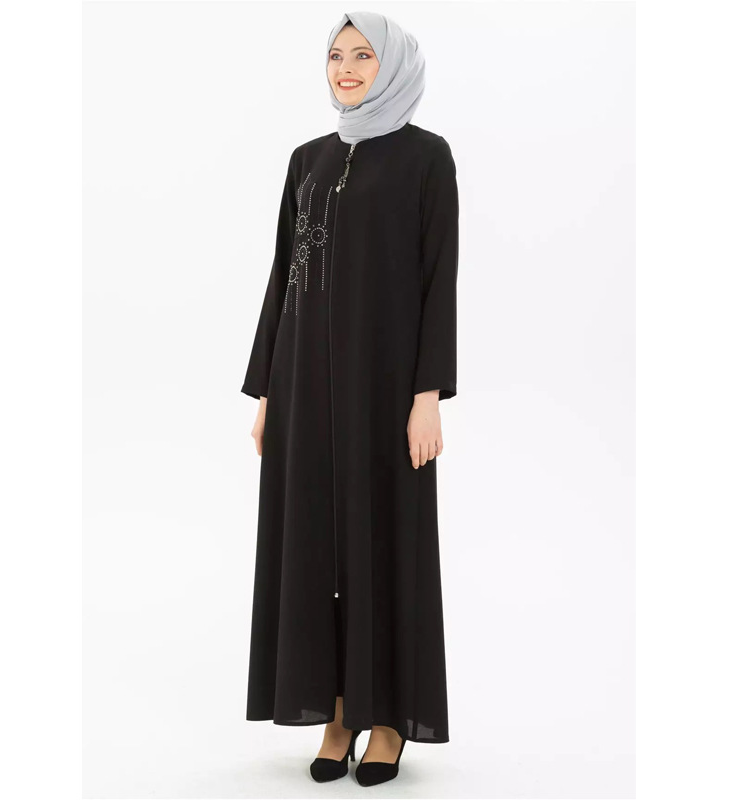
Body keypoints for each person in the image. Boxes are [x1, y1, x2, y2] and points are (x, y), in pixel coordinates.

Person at [241, 10, 459, 787]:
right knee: (316, 544)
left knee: (387, 537)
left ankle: (389, 718)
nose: (347, 68)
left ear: (392, 64)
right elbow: (283, 279)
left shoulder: (427, 158)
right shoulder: (307, 159)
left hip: (387, 389)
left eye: (363, 55)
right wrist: (267, 393)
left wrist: (428, 394)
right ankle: (337, 710)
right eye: (336, 55)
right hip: (305, 387)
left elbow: (438, 279)